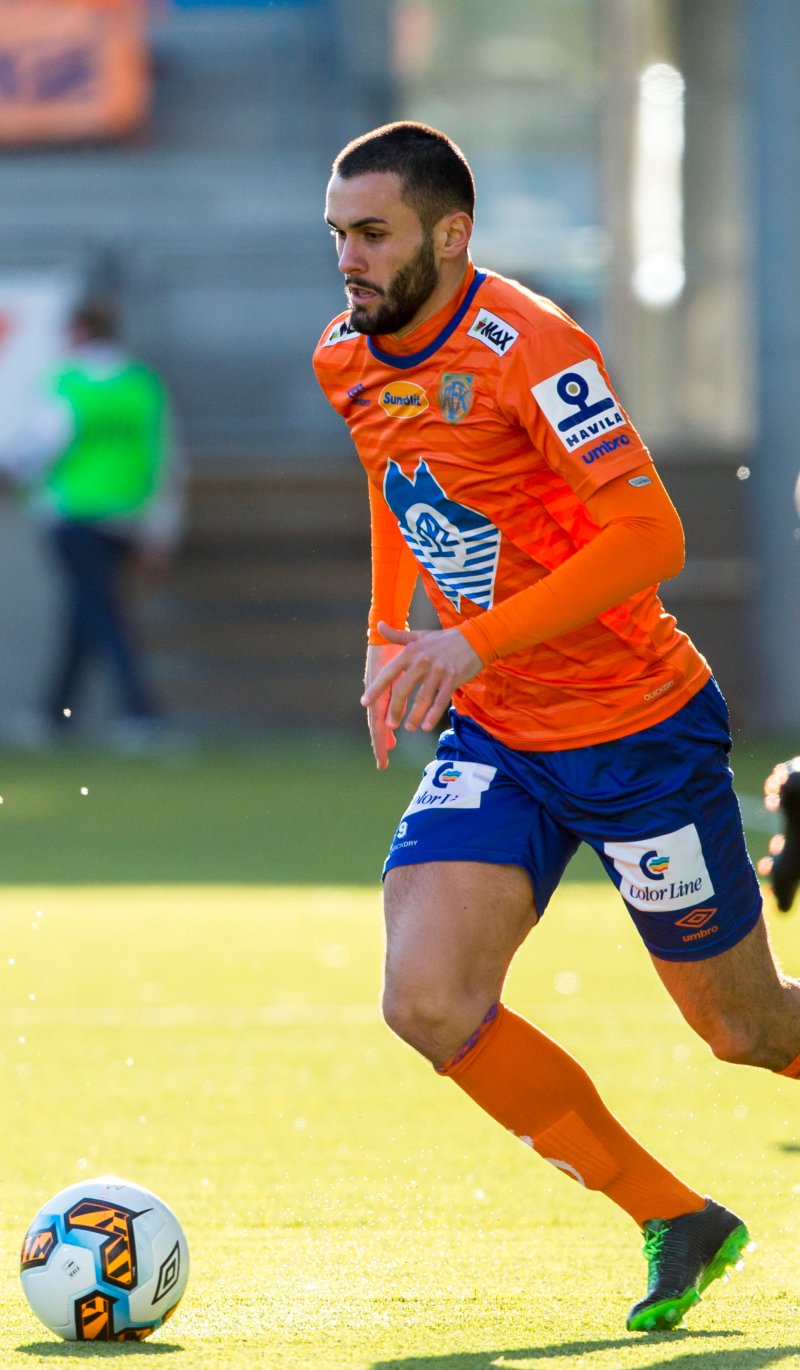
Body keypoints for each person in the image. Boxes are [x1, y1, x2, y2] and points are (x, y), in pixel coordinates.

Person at [313, 121, 800, 1333]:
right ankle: (674, 1214)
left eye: (371, 235)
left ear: (449, 233)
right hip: (497, 736)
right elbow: (393, 473)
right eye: (336, 237)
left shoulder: (535, 348)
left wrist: (466, 637)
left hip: (639, 734)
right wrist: (388, 627)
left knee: (742, 1030)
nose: (349, 261)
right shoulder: (346, 355)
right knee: (424, 997)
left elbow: (654, 540)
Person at [1, 301, 183, 748]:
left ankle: (142, 715)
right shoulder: (143, 385)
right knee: (86, 609)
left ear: (80, 331)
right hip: (127, 515)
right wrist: (162, 530)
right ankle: (55, 715)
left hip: (74, 513)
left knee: (100, 613)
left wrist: (9, 472)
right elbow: (167, 458)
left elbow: (43, 443)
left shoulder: (68, 382)